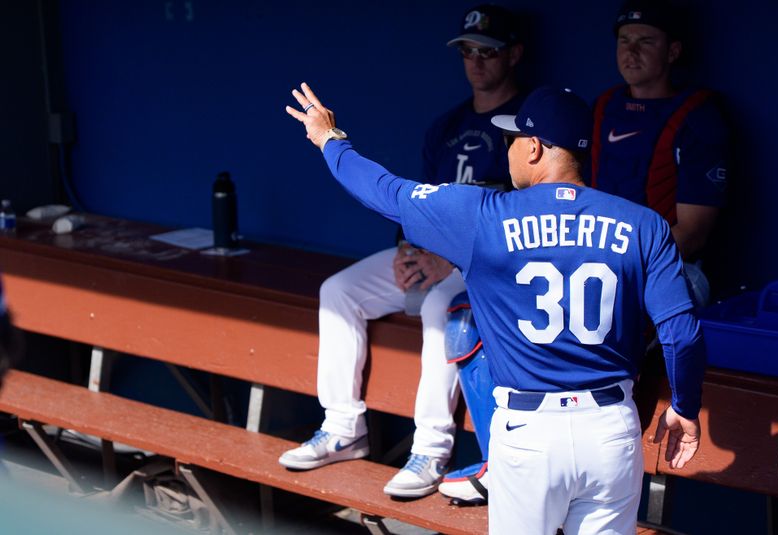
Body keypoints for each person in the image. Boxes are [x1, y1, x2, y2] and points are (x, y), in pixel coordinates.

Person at [287, 82, 705, 534]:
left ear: (535, 148)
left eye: (511, 139)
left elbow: (383, 190)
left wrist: (330, 140)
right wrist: (684, 405)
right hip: (609, 429)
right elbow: (681, 332)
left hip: (528, 433)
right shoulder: (643, 223)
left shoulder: (482, 214)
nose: (507, 149)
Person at [278, 4, 525, 499]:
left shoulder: (524, 127)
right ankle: (343, 428)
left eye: (488, 52)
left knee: (440, 306)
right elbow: (416, 202)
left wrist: (448, 260)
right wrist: (406, 249)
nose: (476, 62)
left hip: (484, 266)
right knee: (339, 290)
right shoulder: (447, 125)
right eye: (468, 52)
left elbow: (517, 221)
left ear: (514, 55)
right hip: (431, 252)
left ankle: (431, 450)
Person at [591, 0, 729, 304]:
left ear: (673, 52)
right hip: (597, 267)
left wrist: (618, 272)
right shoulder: (604, 107)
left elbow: (693, 233)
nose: (631, 52)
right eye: (624, 41)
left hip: (667, 271)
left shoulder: (696, 115)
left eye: (646, 42)